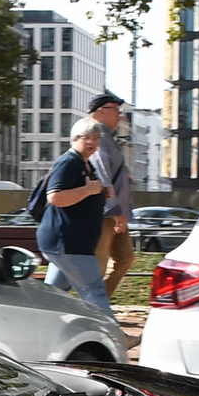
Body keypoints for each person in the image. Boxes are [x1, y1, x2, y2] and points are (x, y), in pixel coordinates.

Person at [34, 118, 112, 312]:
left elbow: (84, 193)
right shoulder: (69, 162)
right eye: (86, 138)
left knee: (53, 295)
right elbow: (55, 197)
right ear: (75, 139)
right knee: (94, 291)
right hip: (69, 243)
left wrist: (100, 191)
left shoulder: (84, 164)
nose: (91, 142)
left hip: (68, 243)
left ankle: (35, 329)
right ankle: (115, 336)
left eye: (95, 138)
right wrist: (89, 190)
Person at [80, 93, 134, 294]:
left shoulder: (108, 138)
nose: (119, 115)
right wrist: (116, 210)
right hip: (104, 213)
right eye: (116, 110)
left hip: (115, 212)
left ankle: (98, 303)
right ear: (101, 110)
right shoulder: (96, 137)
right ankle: (93, 307)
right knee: (99, 265)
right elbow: (101, 176)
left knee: (126, 258)